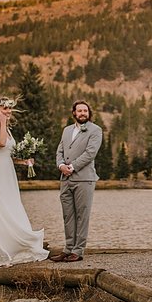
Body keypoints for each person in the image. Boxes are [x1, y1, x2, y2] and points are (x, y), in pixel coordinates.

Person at [0, 96, 49, 268]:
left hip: (8, 174)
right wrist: (2, 123)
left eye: (9, 109)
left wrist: (23, 162)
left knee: (12, 208)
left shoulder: (7, 129)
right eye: (5, 109)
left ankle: (16, 249)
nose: (8, 112)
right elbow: (1, 144)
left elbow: (8, 154)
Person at [51, 100, 103, 263]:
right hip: (65, 179)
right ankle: (68, 249)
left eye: (85, 111)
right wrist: (61, 165)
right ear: (73, 113)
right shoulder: (66, 130)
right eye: (79, 111)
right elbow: (60, 150)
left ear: (89, 114)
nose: (82, 114)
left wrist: (72, 167)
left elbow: (90, 153)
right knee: (68, 215)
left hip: (84, 178)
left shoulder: (95, 130)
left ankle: (78, 251)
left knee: (82, 215)